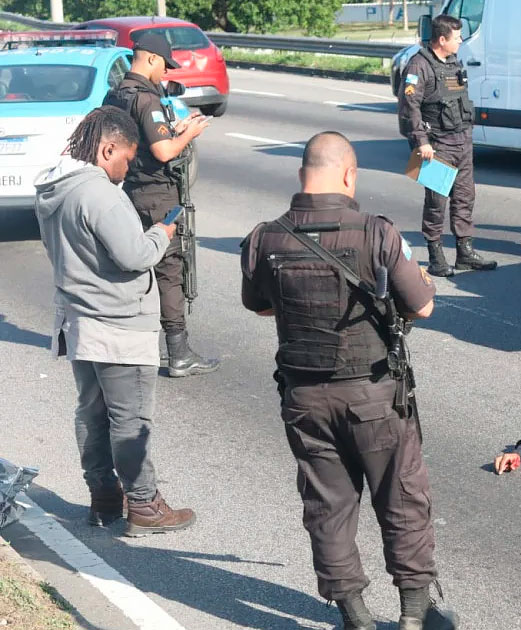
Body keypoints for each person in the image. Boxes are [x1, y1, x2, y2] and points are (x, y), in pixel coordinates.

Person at [240, 132, 455, 630]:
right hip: (374, 395)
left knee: (327, 505)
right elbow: (422, 306)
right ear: (349, 175)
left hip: (305, 398)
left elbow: (259, 305)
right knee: (401, 498)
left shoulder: (265, 238)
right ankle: (414, 615)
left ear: (302, 176)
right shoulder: (377, 233)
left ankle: (355, 617)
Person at [34, 106, 196, 537]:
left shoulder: (56, 189)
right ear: (107, 149)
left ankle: (104, 498)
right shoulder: (100, 195)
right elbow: (135, 256)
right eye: (126, 157)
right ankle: (144, 504)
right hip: (119, 323)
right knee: (130, 420)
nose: (127, 168)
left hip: (79, 320)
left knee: (92, 413)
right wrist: (162, 232)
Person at [103, 32, 218, 378]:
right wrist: (188, 135)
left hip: (128, 192)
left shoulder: (115, 94)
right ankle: (179, 353)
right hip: (157, 195)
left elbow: (139, 140)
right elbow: (164, 151)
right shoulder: (146, 99)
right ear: (151, 58)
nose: (165, 72)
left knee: (134, 268)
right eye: (164, 65)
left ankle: (126, 345)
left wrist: (174, 129)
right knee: (169, 270)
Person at [398, 14, 497, 278]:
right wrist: (421, 142)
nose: (461, 41)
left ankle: (465, 253)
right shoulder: (419, 65)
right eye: (457, 37)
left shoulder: (453, 62)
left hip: (461, 142)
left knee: (465, 197)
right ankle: (435, 256)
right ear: (442, 39)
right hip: (436, 145)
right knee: (436, 203)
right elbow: (409, 108)